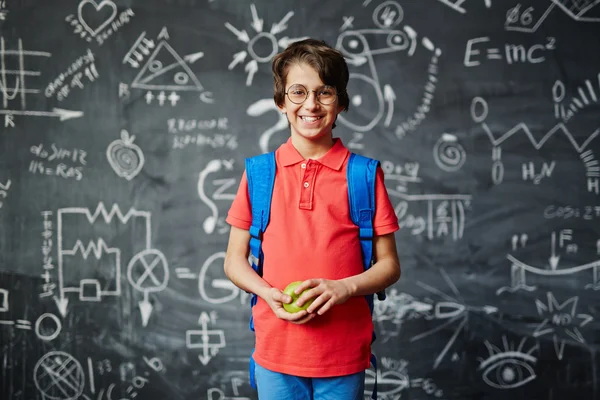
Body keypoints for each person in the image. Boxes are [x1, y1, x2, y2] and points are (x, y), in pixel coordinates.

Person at [224, 38, 400, 400]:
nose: (311, 104)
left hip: (343, 355)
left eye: (324, 93)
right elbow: (234, 261)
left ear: (340, 102)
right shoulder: (259, 174)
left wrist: (344, 288)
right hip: (275, 351)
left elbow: (390, 267)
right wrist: (266, 293)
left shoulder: (363, 176)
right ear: (281, 102)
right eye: (298, 92)